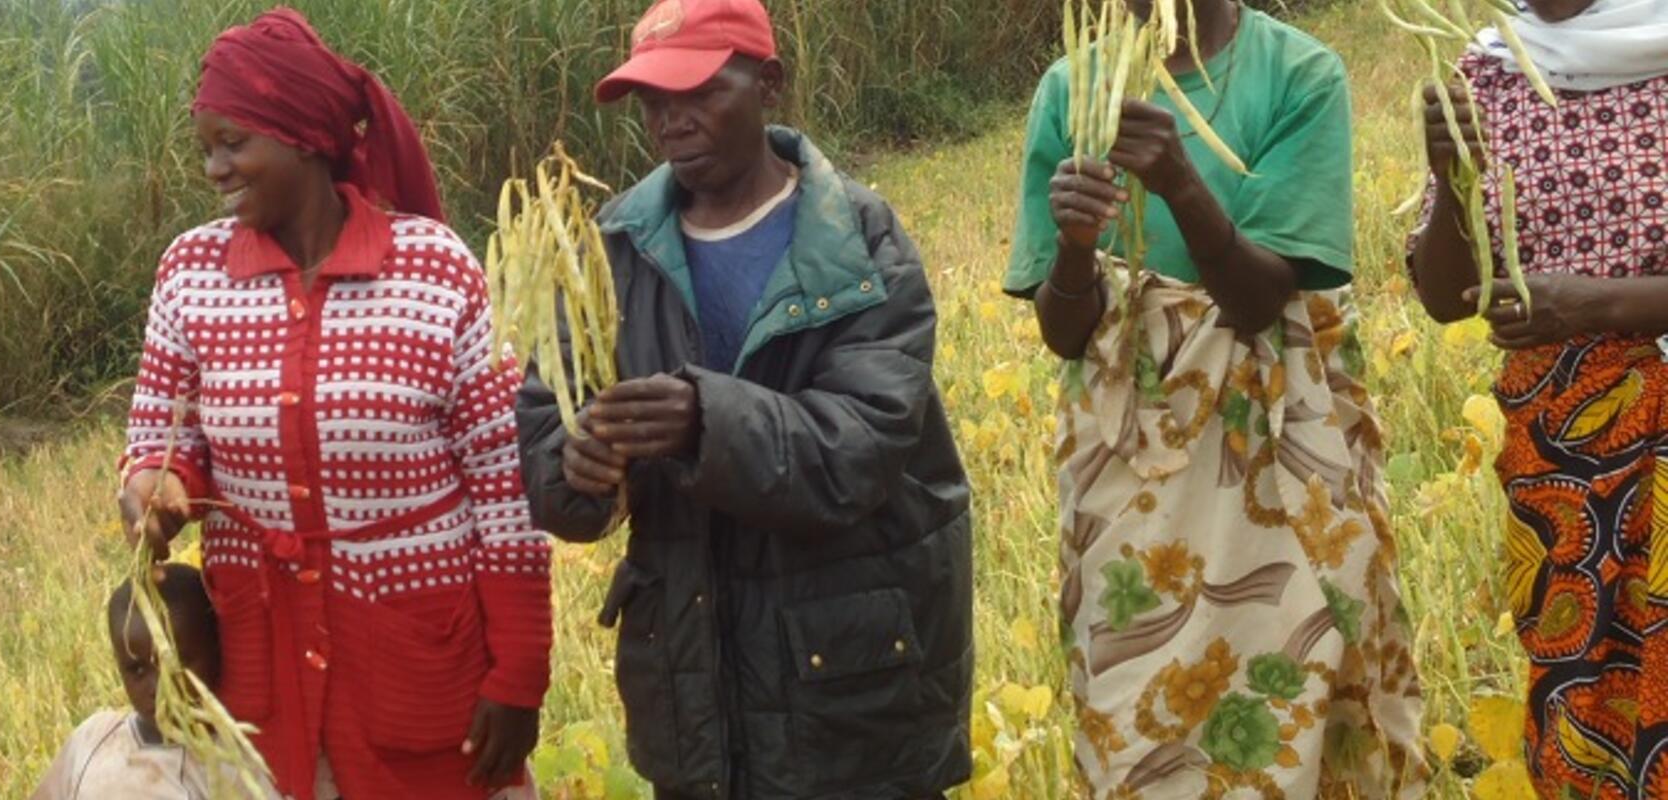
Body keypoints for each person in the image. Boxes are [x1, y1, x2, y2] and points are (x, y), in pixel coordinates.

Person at [517, 1, 974, 797]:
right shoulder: (607, 249)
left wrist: (701, 419)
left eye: (696, 91)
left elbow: (862, 446)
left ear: (768, 84)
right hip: (691, 693)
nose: (670, 120)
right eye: (654, 100)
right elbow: (551, 439)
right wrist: (579, 463)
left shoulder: (858, 239)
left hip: (852, 690)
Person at [115, 9, 553, 800]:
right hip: (261, 670)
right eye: (204, 148)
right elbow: (157, 434)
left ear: (306, 136)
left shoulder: (434, 270)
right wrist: (156, 481)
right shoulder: (190, 272)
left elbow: (503, 484)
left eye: (233, 143)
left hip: (420, 671)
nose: (214, 168)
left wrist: (519, 674)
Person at [1004, 0, 1426, 795]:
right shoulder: (1070, 91)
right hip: (1132, 470)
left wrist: (1179, 185)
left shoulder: (1300, 74)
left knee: (1303, 669)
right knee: (1136, 707)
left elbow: (1263, 299)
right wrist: (1075, 244)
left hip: (1276, 446)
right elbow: (1065, 333)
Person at [1407, 2, 1668, 794]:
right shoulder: (1486, 73)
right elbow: (1447, 296)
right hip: (1559, 444)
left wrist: (1593, 305)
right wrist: (1454, 183)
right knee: (1580, 669)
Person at [30, 564, 222, 800]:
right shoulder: (93, 739)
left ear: (217, 650)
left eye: (175, 666)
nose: (159, 688)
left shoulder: (230, 771)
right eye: (138, 669)